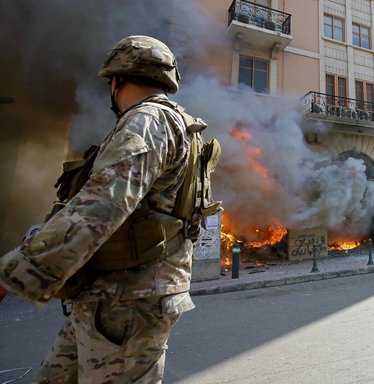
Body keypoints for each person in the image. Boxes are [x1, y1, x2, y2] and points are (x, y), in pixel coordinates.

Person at [0, 35, 220, 382]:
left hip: (127, 302)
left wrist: (14, 273)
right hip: (112, 296)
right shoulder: (178, 124)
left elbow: (101, 207)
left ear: (116, 80)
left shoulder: (146, 121)